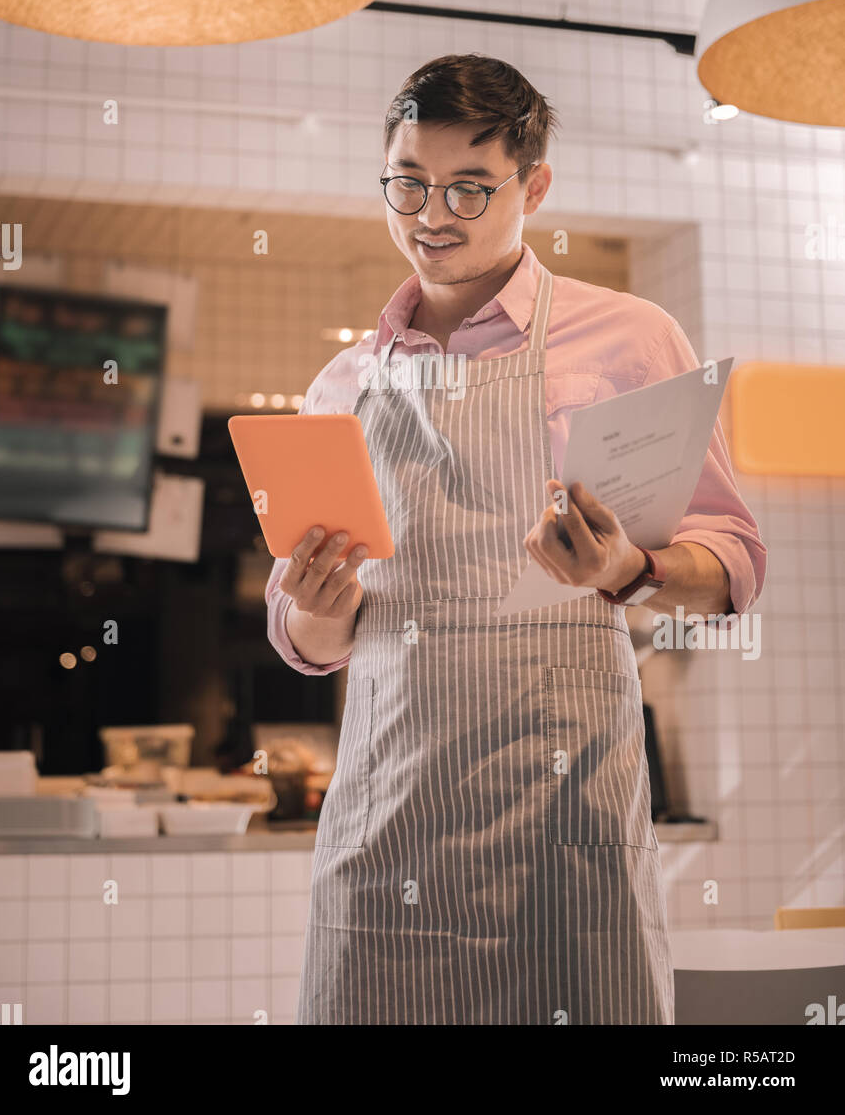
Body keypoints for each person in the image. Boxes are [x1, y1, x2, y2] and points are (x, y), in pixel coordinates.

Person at [264, 53, 766, 1026]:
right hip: (385, 833)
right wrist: (316, 613)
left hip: (562, 828)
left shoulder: (627, 338)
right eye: (406, 182)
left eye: (466, 187)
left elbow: (732, 564)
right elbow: (310, 640)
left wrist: (630, 568)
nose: (429, 214)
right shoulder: (339, 386)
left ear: (532, 186)